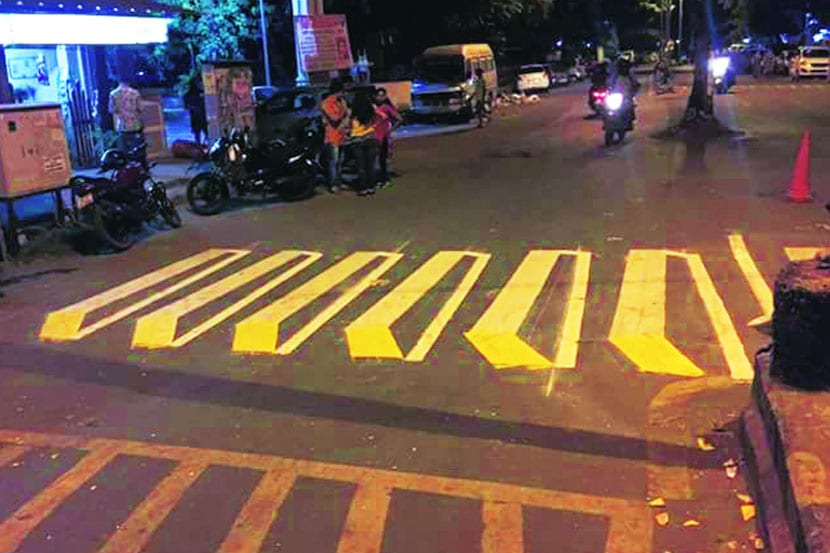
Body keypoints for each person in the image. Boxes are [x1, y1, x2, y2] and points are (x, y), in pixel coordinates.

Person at [319, 79, 350, 193]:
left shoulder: (339, 102)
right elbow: (335, 118)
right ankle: (333, 184)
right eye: (343, 91)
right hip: (332, 137)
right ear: (339, 91)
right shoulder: (327, 103)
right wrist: (345, 110)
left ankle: (339, 182)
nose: (344, 94)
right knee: (333, 162)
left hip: (341, 136)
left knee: (340, 162)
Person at [348, 90, 380, 196]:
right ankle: (371, 187)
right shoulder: (372, 109)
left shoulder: (352, 111)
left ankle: (363, 188)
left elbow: (348, 126)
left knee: (360, 166)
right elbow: (379, 120)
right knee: (370, 165)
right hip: (370, 138)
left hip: (357, 140)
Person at [108, 78, 145, 162]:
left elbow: (111, 109)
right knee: (138, 148)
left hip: (122, 125)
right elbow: (141, 108)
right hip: (135, 124)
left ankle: (126, 165)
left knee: (124, 149)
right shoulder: (135, 93)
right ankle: (139, 165)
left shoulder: (113, 94)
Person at [373, 87, 403, 188]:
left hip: (384, 136)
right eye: (378, 95)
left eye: (382, 95)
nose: (380, 98)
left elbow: (399, 119)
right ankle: (378, 179)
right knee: (375, 159)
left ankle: (384, 179)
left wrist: (390, 129)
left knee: (383, 159)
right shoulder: (372, 107)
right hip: (373, 136)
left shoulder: (387, 107)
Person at [183, 77, 208, 145]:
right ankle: (198, 145)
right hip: (196, 117)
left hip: (203, 116)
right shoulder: (189, 94)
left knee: (206, 133)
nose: (200, 84)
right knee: (197, 133)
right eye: (198, 83)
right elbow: (186, 106)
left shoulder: (205, 93)